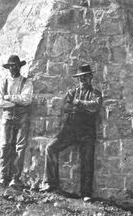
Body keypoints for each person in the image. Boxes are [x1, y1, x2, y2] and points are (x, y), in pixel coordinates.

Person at [40, 64, 102, 200]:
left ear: (90, 77)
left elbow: (95, 106)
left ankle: (86, 194)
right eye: (80, 77)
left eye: (85, 76)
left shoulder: (96, 93)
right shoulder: (72, 92)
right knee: (50, 148)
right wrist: (84, 108)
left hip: (87, 131)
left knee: (87, 161)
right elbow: (66, 107)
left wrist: (78, 103)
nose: (83, 79)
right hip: (70, 130)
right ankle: (51, 184)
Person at [0, 55, 33, 189]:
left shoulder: (26, 82)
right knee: (6, 146)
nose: (13, 68)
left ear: (20, 66)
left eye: (16, 65)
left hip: (22, 118)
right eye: (11, 66)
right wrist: (14, 102)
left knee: (20, 147)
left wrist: (9, 98)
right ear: (8, 67)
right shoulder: (3, 82)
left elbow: (26, 99)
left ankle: (15, 178)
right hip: (7, 117)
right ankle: (3, 177)